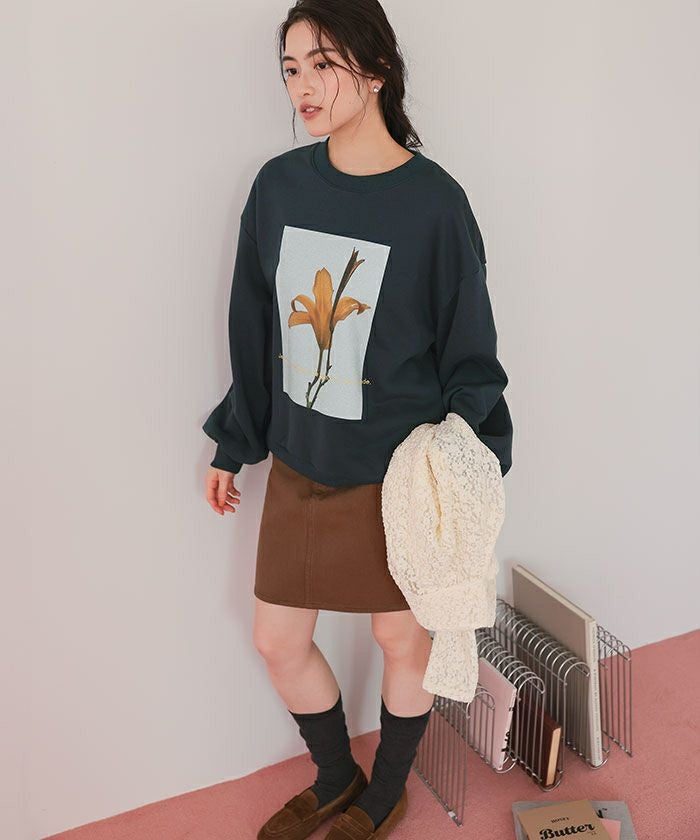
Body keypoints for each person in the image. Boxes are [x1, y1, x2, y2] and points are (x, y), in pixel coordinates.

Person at [202, 1, 513, 837]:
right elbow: (254, 326)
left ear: (375, 69)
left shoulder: (435, 204)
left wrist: (461, 465)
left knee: (401, 643)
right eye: (290, 69)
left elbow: (472, 355)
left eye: (322, 64)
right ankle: (338, 776)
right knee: (277, 639)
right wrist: (235, 441)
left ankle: (386, 794)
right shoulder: (279, 187)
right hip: (303, 461)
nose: (301, 86)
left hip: (397, 476)